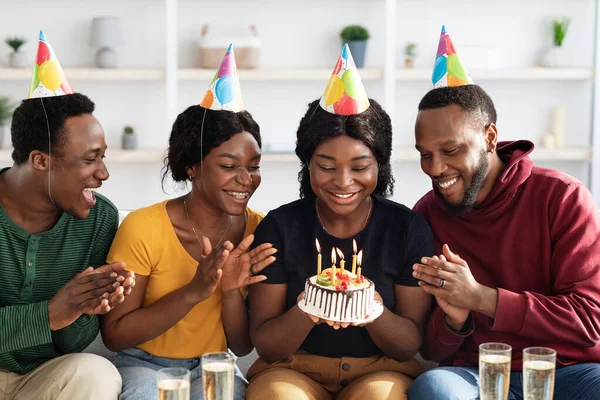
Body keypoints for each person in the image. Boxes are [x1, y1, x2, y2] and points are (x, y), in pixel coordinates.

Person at [408, 27, 600, 400]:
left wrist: (481, 297)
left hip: (570, 372)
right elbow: (431, 350)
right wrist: (454, 319)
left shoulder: (562, 198)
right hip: (476, 375)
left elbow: (590, 322)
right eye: (425, 154)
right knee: (432, 388)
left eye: (450, 150)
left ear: (490, 138)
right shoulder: (427, 214)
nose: (434, 168)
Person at [246, 45, 433, 400]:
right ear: (307, 164)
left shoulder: (407, 229)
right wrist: (311, 305)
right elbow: (267, 346)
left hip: (381, 370)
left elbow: (408, 345)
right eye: (327, 167)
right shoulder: (279, 228)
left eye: (360, 167)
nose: (343, 181)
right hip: (292, 369)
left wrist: (371, 308)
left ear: (381, 165)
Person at [101, 46, 277, 400]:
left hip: (216, 363)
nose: (246, 179)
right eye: (229, 166)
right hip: (143, 363)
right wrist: (195, 290)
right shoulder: (143, 227)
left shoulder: (262, 230)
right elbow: (115, 334)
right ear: (190, 167)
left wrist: (228, 290)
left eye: (253, 166)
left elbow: (242, 346)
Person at [0, 31, 133, 400]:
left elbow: (74, 343)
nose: (104, 173)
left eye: (103, 157)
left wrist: (84, 306)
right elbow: (51, 317)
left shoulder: (98, 220)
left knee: (95, 373)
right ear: (40, 161)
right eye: (90, 159)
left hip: (40, 379)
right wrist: (49, 313)